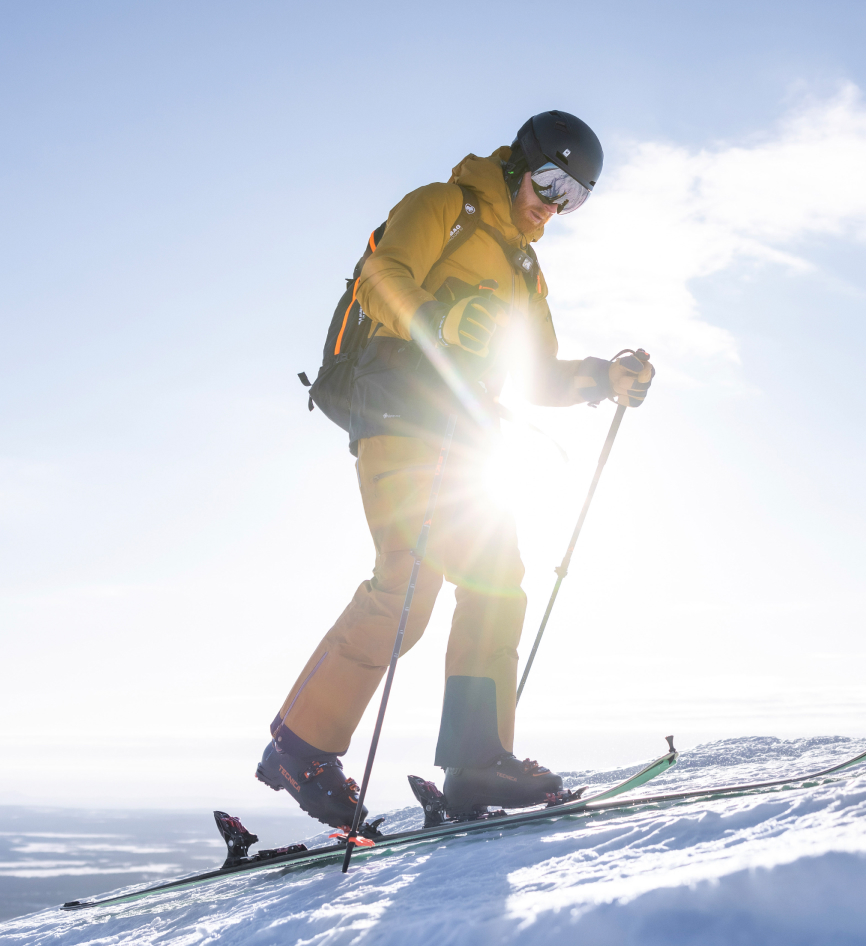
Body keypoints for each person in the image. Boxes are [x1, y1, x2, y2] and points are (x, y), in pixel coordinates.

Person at [259, 111, 655, 828]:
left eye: (575, 196)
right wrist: (438, 321)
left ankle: (476, 761)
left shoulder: (526, 271)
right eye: (551, 181)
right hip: (398, 412)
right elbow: (380, 277)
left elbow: (535, 375)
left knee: (496, 577)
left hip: (466, 436)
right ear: (519, 165)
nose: (555, 204)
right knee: (409, 580)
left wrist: (605, 377)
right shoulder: (442, 205)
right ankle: (301, 749)